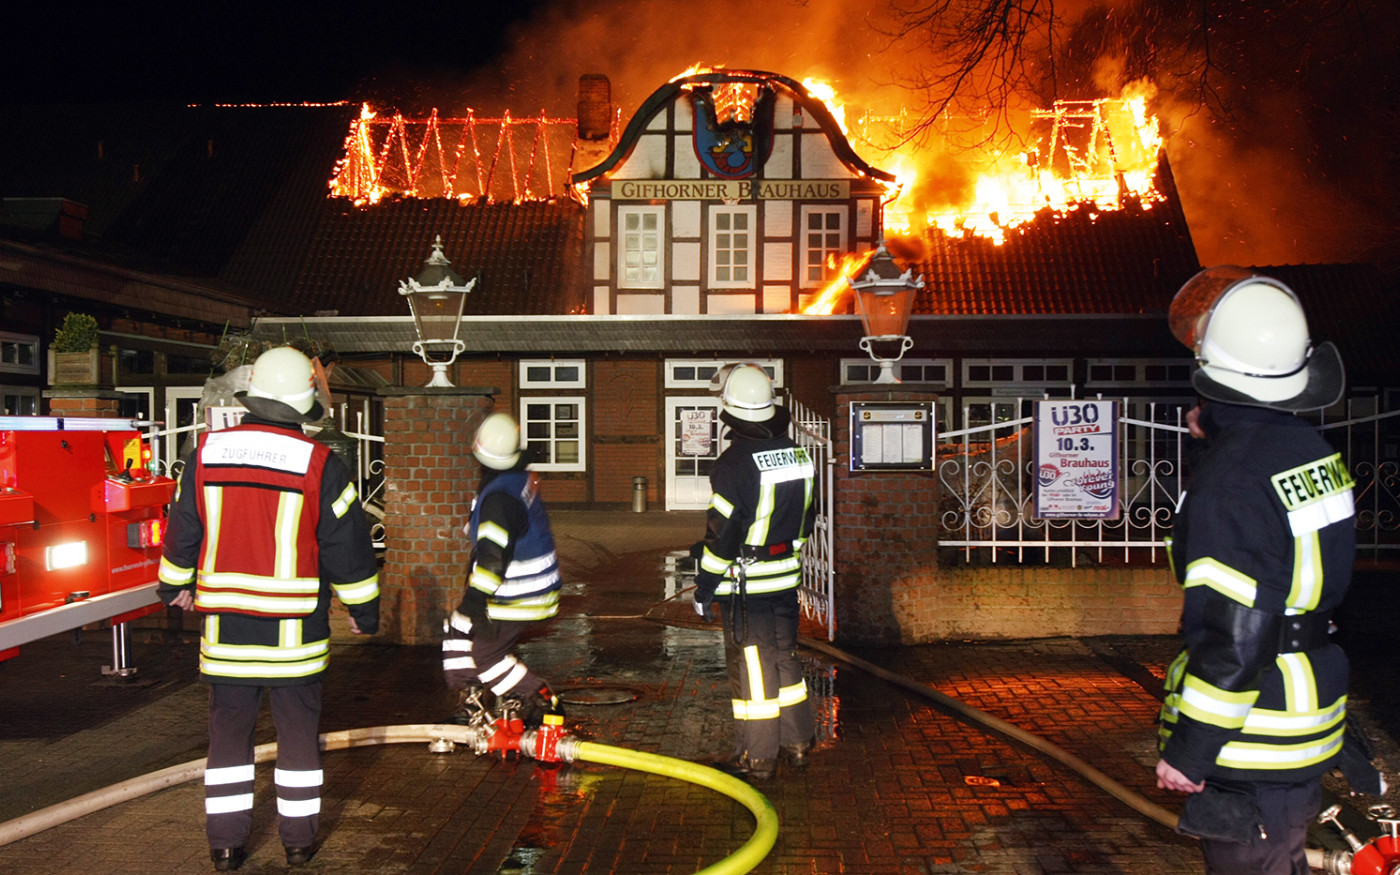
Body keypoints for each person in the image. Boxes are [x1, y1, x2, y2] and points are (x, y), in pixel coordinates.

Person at [1155, 267, 1373, 874]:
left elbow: (1235, 636)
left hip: (1254, 736)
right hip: (1307, 708)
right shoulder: (1310, 452)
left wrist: (1190, 752)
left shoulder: (1234, 481)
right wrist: (1220, 441)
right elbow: (1279, 543)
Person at [157, 346, 380, 872]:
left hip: (226, 631)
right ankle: (299, 843)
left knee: (228, 738)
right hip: (294, 634)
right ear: (305, 401)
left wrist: (174, 588)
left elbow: (183, 527)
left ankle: (226, 846)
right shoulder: (323, 464)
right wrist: (363, 611)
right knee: (298, 739)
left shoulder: (205, 454)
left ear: (253, 394)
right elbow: (348, 548)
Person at [691, 363, 816, 781]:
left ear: (731, 409)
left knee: (755, 671)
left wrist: (705, 587)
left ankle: (758, 758)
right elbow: (807, 519)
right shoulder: (798, 453)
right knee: (785, 660)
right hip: (785, 578)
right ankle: (798, 742)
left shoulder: (732, 465)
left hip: (749, 586)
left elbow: (722, 537)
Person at [441, 412, 563, 728]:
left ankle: (540, 698)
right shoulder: (515, 479)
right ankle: (472, 701)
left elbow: (493, 557)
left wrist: (475, 602)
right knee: (457, 627)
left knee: (487, 655)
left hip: (517, 594)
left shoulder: (498, 498)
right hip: (533, 587)